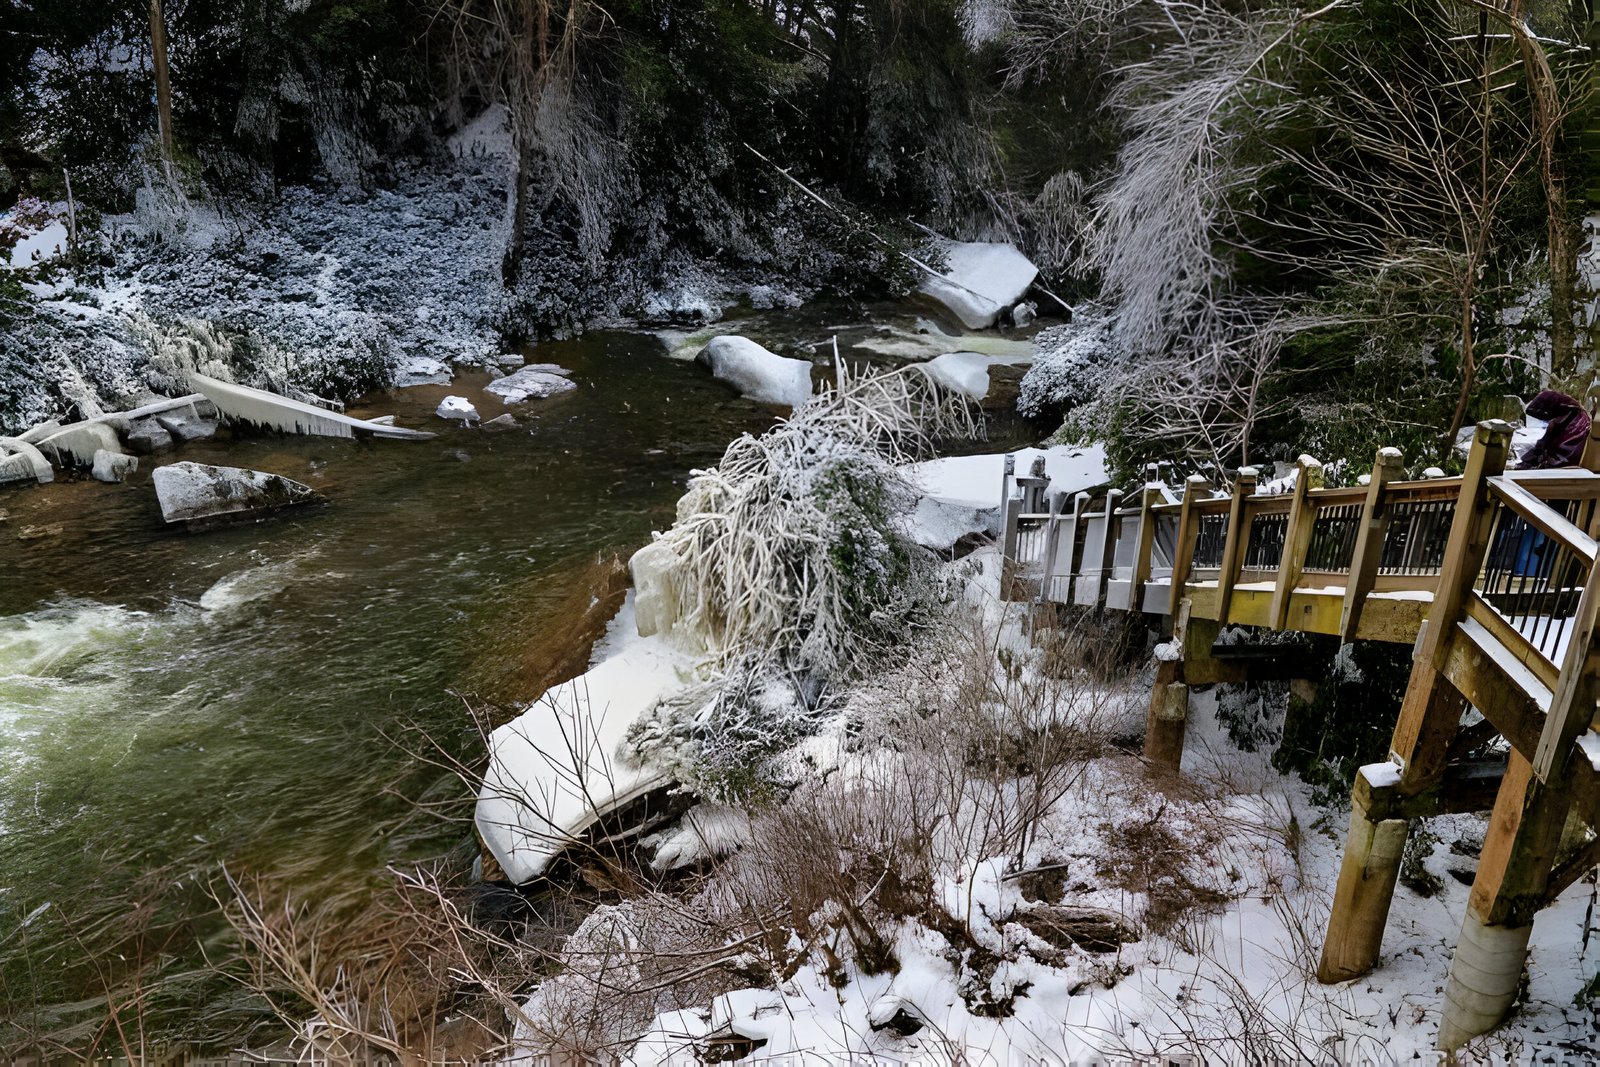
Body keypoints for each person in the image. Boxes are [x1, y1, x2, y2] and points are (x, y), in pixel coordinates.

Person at [1517, 390, 1591, 470]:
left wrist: (1537, 467)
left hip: (1564, 474)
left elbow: (1562, 460)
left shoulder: (1578, 426)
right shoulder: (1559, 423)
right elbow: (1540, 447)